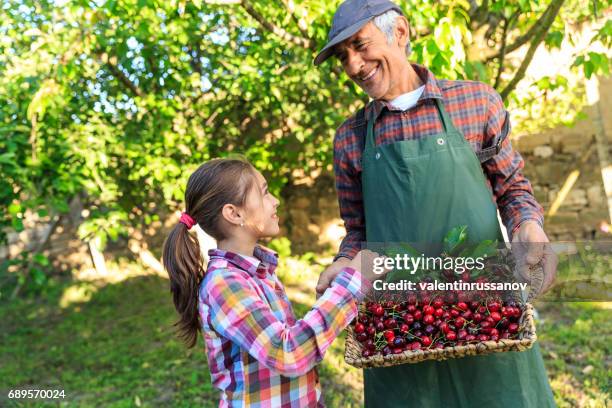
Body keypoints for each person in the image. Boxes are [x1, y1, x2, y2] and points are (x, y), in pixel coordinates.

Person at [313, 0, 557, 406]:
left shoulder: (476, 103)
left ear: (401, 33)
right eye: (343, 56)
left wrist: (527, 226)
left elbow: (512, 188)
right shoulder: (349, 139)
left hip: (484, 307)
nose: (354, 65)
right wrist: (345, 262)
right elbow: (358, 229)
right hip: (402, 322)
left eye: (360, 45)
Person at [162, 157, 386, 407]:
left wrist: (333, 294)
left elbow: (284, 339)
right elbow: (287, 353)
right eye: (265, 192)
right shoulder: (224, 284)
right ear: (234, 213)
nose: (275, 200)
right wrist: (353, 283)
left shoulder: (257, 271)